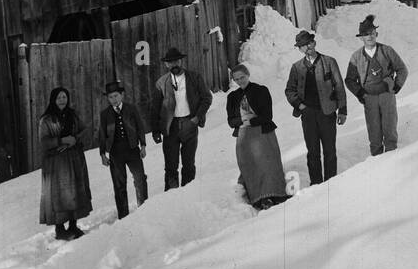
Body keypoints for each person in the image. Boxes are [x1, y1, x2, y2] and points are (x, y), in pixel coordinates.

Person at [285, 30, 347, 185]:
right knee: (312, 152)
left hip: (327, 113)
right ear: (299, 49)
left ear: (314, 43)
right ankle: (316, 184)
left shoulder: (329, 62)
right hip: (308, 115)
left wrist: (343, 110)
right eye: (302, 46)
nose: (307, 47)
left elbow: (339, 86)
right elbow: (289, 90)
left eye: (309, 43)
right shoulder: (297, 67)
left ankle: (331, 182)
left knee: (329, 151)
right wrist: (300, 105)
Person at [226, 62, 289, 209]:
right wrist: (243, 120)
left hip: (262, 132)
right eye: (236, 79)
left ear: (248, 75)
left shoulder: (260, 90)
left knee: (268, 164)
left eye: (242, 77)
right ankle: (259, 198)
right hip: (244, 135)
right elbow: (231, 121)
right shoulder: (232, 97)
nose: (240, 81)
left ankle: (275, 194)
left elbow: (267, 115)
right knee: (250, 165)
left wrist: (251, 120)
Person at [149, 47, 213, 191]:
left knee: (189, 163)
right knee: (171, 166)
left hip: (189, 124)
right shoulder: (161, 83)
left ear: (181, 61)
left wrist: (197, 118)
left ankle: (188, 194)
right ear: (166, 65)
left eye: (176, 61)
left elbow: (207, 98)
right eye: (170, 63)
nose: (173, 65)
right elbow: (155, 108)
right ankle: (171, 197)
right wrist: (155, 131)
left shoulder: (194, 77)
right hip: (170, 127)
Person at [345, 15, 408, 156]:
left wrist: (396, 87)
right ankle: (376, 161)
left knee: (389, 128)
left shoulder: (387, 51)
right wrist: (361, 94)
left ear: (376, 34)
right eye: (366, 34)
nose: (370, 37)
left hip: (387, 95)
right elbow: (349, 80)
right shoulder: (356, 57)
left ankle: (392, 157)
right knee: (374, 131)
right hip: (369, 97)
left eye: (372, 33)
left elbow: (402, 69)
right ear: (361, 37)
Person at [38, 86, 92, 241]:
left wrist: (75, 139)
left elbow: (84, 130)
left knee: (75, 191)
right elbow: (43, 142)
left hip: (75, 159)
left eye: (64, 97)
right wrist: (61, 140)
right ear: (53, 100)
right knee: (60, 195)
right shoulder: (46, 120)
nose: (62, 100)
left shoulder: (73, 115)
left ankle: (73, 225)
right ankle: (60, 229)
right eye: (59, 98)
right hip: (57, 164)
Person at [98, 81, 148, 219]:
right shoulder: (105, 114)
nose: (113, 100)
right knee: (119, 184)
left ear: (122, 95)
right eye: (110, 97)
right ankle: (123, 216)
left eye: (116, 96)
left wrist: (143, 145)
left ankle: (144, 209)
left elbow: (140, 127)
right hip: (115, 153)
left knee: (140, 179)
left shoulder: (131, 109)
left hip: (132, 150)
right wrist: (102, 154)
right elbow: (102, 134)